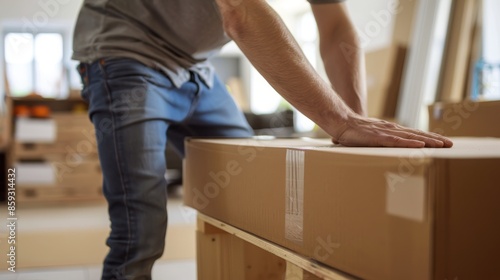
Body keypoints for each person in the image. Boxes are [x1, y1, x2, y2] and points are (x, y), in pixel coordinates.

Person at [72, 0, 453, 279]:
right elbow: (240, 13)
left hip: (194, 65)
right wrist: (340, 119)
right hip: (123, 53)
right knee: (140, 229)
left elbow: (336, 26)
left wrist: (355, 125)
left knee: (253, 190)